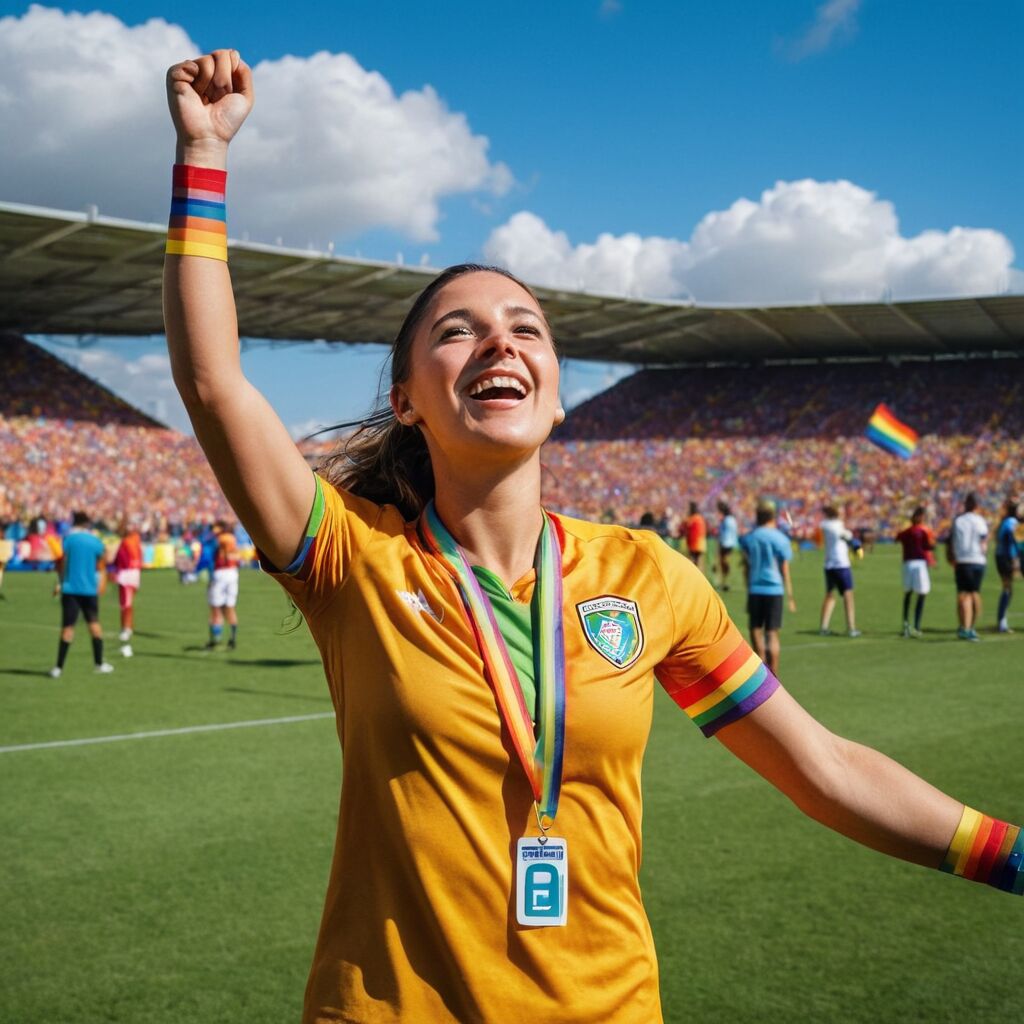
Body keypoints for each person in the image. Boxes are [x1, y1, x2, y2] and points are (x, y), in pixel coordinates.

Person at [164, 49, 1023, 1023]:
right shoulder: (351, 557)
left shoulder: (646, 574)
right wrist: (203, 156)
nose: (499, 341)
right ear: (404, 398)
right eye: (458, 329)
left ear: (557, 388)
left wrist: (1009, 852)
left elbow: (819, 768)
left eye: (526, 328)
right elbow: (215, 382)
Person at [49, 510, 113, 677]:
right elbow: (104, 559)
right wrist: (101, 578)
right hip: (89, 589)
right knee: (94, 625)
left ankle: (58, 667)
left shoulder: (68, 539)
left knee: (67, 628)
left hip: (70, 589)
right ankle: (99, 664)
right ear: (87, 523)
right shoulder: (95, 541)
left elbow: (61, 562)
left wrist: (59, 582)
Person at [738, 500, 796, 674]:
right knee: (772, 633)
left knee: (755, 629)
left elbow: (746, 566)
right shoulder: (780, 538)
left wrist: (748, 586)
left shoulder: (749, 538)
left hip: (755, 588)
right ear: (773, 517)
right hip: (775, 589)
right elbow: (784, 568)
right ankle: (774, 674)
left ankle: (762, 670)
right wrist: (791, 595)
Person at [948, 493, 988, 641]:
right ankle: (971, 626)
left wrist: (952, 558)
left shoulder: (959, 520)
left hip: (964, 560)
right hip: (978, 560)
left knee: (964, 594)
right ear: (977, 505)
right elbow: (984, 542)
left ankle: (965, 627)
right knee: (975, 593)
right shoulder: (980, 521)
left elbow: (951, 541)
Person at [818, 503, 861, 637]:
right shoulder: (837, 525)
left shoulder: (825, 524)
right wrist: (855, 545)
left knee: (830, 595)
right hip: (841, 564)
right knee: (848, 595)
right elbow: (846, 536)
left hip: (829, 564)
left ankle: (824, 627)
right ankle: (851, 627)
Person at [896, 506, 934, 637]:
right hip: (918, 564)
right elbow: (928, 546)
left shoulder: (907, 531)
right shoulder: (922, 531)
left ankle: (906, 625)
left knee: (908, 593)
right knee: (921, 593)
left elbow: (897, 538)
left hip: (907, 564)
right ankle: (916, 625)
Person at [205, 519, 240, 650]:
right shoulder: (232, 537)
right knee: (230, 607)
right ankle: (232, 640)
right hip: (233, 572)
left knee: (215, 608)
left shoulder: (220, 538)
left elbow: (208, 546)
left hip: (221, 572)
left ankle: (215, 640)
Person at [112, 523, 143, 657]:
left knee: (126, 605)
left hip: (126, 574)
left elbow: (120, 560)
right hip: (135, 573)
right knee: (127, 605)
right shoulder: (136, 540)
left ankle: (126, 631)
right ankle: (127, 629)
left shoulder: (126, 542)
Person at [994, 497, 1020, 633]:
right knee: (1007, 588)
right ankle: (1001, 622)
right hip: (1006, 557)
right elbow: (1012, 539)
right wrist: (1015, 559)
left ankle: (1001, 619)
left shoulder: (1005, 521)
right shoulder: (1012, 522)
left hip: (1000, 556)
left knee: (1008, 589)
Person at [679, 500, 707, 573]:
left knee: (694, 563)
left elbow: (683, 528)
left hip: (694, 544)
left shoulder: (693, 519)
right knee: (699, 562)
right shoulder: (699, 518)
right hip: (700, 543)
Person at [716, 499, 738, 591]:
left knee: (724, 562)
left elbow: (724, 533)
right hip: (729, 543)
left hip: (725, 543)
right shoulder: (731, 519)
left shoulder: (726, 520)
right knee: (724, 563)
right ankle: (725, 582)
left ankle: (725, 582)